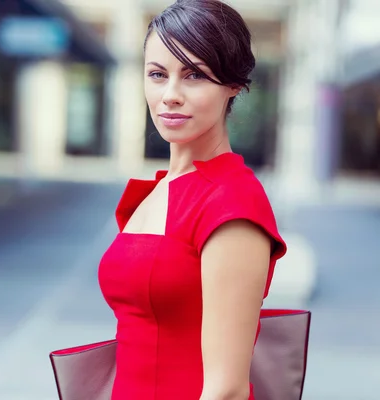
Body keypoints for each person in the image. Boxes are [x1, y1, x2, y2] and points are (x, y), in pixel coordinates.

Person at [97, 1, 287, 399]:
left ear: (232, 85)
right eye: (157, 74)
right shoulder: (159, 189)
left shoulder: (232, 203)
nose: (170, 95)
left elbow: (227, 390)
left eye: (194, 75)